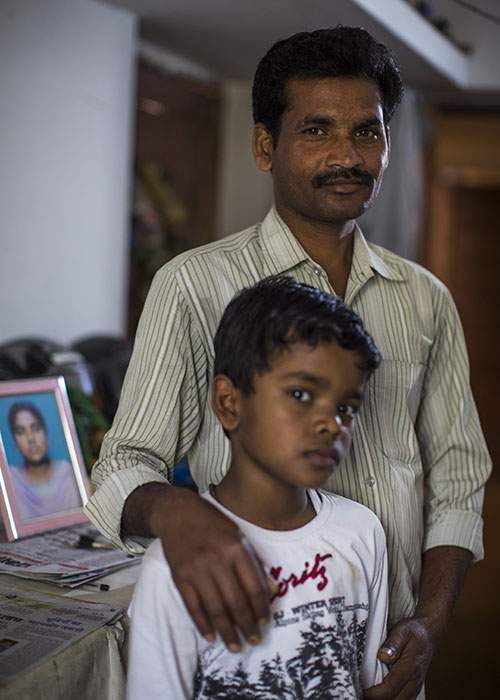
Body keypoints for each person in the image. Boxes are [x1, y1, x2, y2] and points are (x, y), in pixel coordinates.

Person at [86, 26, 492, 699]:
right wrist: (177, 514)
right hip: (248, 649)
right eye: (317, 130)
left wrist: (430, 623)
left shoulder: (425, 301)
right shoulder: (194, 286)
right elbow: (124, 464)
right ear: (265, 145)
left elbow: (457, 477)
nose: (347, 155)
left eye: (368, 131)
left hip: (388, 658)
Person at [127, 277, 389, 699]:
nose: (331, 423)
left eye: (346, 407)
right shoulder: (176, 568)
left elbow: (368, 684)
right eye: (301, 393)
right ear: (230, 403)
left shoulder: (362, 533)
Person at [7, 402, 81, 520]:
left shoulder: (69, 472)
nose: (31, 438)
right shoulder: (10, 480)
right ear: (15, 442)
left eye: (36, 428)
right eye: (21, 432)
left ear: (46, 434)